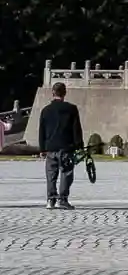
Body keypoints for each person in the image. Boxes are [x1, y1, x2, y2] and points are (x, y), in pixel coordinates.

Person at [37, 82, 84, 211]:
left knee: (51, 175)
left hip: (51, 147)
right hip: (66, 146)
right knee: (66, 173)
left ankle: (51, 200)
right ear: (65, 93)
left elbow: (41, 131)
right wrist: (79, 146)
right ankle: (62, 199)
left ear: (53, 93)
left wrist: (42, 148)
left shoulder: (46, 110)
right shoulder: (71, 109)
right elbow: (76, 129)